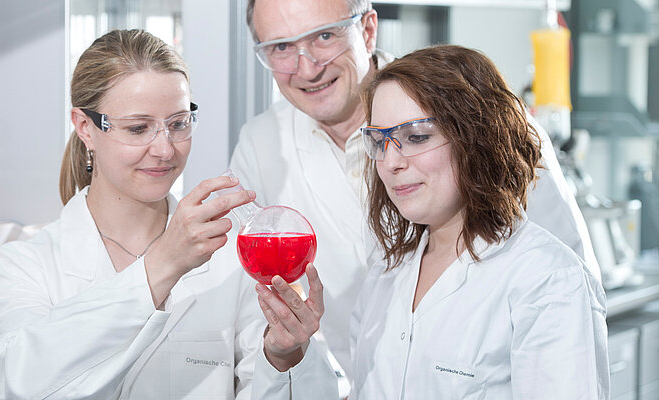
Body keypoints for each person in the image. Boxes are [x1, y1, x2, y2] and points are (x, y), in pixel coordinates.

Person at [230, 0, 600, 376]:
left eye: (325, 36)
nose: (307, 68)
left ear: (368, 30)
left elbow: (567, 286)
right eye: (281, 47)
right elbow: (253, 312)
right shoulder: (260, 146)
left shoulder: (488, 125)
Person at [0, 29, 338, 399]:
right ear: (85, 128)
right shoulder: (27, 265)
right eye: (138, 128)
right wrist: (162, 265)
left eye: (178, 124)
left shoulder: (229, 256)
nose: (165, 150)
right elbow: (22, 382)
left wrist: (282, 355)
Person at [349, 44, 608, 399]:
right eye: (380, 141)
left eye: (416, 137)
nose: (391, 162)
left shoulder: (547, 280)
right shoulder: (386, 274)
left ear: (476, 137)